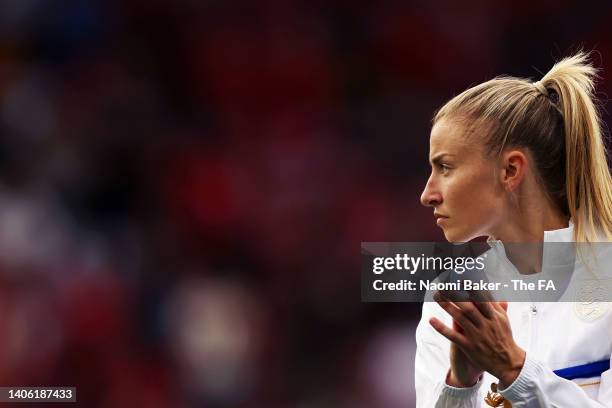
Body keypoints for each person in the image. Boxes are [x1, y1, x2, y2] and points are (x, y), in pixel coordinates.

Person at [415, 52, 612, 407]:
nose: (427, 194)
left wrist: (514, 370)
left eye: (445, 167)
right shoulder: (448, 304)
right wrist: (460, 385)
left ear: (510, 170)